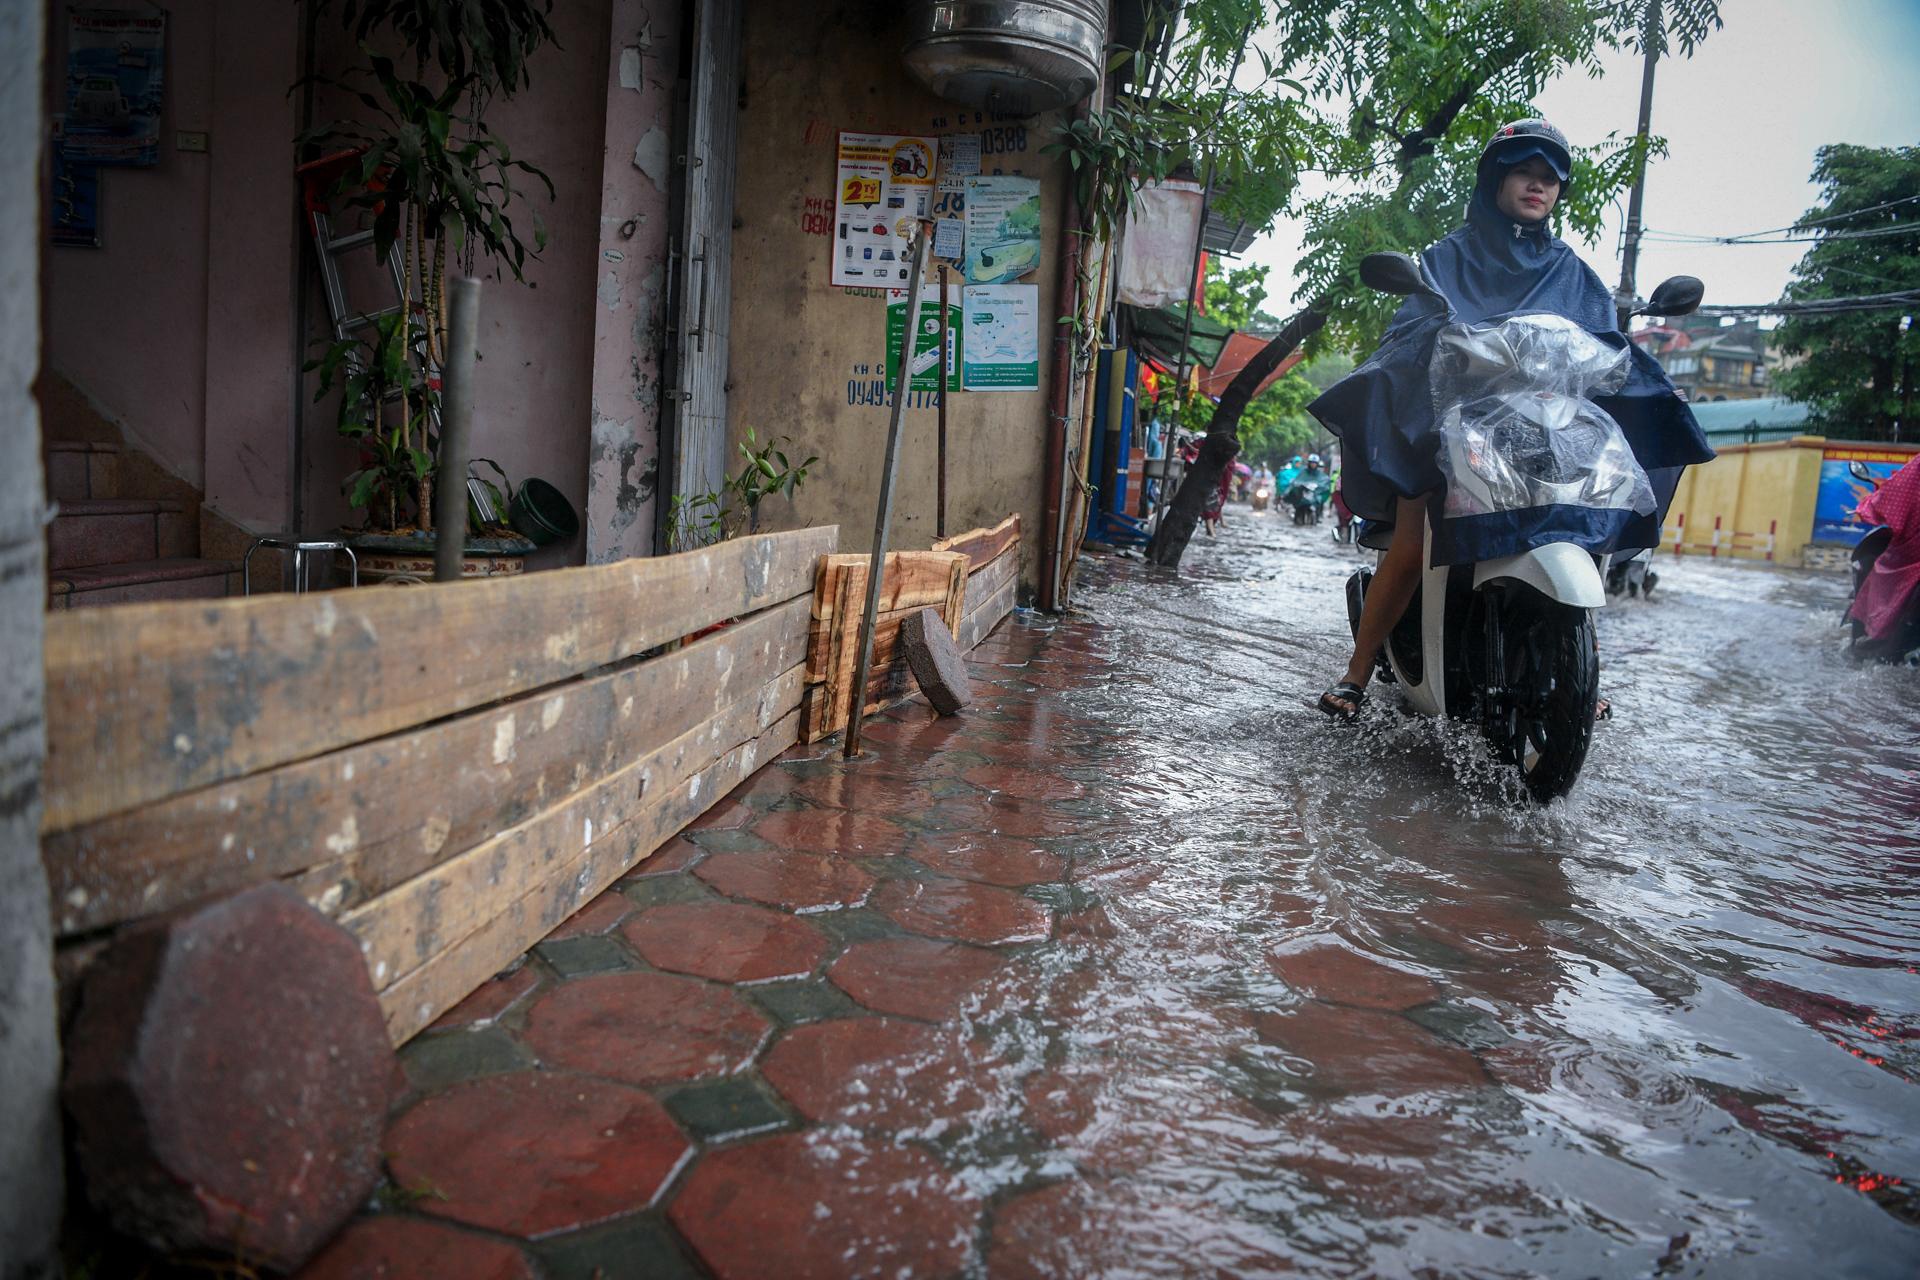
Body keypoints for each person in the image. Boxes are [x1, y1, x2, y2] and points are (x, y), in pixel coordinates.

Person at [1308, 118, 1712, 720]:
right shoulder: (1447, 258)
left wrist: (1640, 371)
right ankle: (1358, 672)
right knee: (1417, 526)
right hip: (1456, 429)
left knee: (1584, 520)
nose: (1538, 186)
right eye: (1525, 171)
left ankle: (1580, 668)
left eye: (1550, 179)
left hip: (1545, 437)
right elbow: (1410, 334)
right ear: (1497, 178)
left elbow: (1604, 340)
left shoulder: (1571, 270)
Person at [1850, 453, 1920, 647]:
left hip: (1913, 555)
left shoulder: (1917, 467)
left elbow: (1892, 495)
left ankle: (1872, 632)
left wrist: (1865, 508)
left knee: (1883, 568)